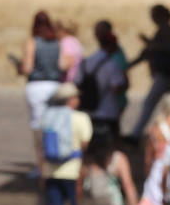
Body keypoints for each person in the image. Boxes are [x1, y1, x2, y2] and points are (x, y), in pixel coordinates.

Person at [39, 82, 94, 205]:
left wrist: (42, 171)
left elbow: (41, 147)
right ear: (71, 100)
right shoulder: (80, 118)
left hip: (51, 171)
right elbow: (86, 144)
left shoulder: (47, 117)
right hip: (74, 171)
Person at [19, 11, 72, 178]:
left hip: (36, 86)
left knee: (38, 127)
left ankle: (41, 165)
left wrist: (20, 68)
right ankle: (55, 160)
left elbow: (27, 68)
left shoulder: (32, 42)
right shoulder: (57, 42)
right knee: (55, 124)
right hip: (54, 86)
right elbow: (63, 65)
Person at [127, 4, 170, 140]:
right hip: (164, 74)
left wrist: (152, 45)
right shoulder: (162, 31)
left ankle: (136, 134)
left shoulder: (167, 31)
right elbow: (147, 53)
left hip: (165, 74)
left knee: (151, 102)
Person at [77, 20, 130, 140]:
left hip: (89, 111)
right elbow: (117, 87)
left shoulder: (86, 62)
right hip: (108, 112)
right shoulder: (112, 65)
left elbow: (78, 83)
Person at [57, 18, 84, 83]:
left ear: (63, 30)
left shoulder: (66, 42)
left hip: (68, 81)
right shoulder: (75, 41)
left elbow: (68, 63)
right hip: (77, 79)